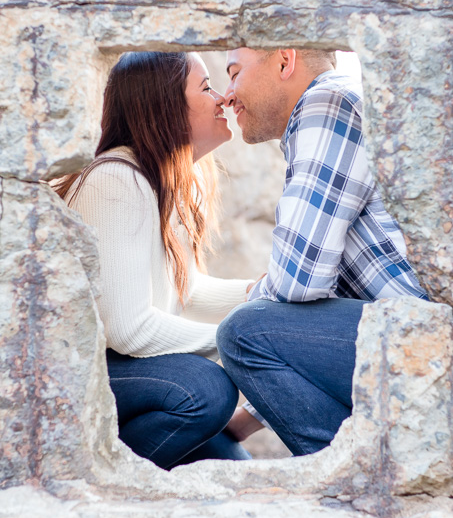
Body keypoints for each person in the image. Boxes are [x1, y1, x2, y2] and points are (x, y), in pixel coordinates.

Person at [217, 47, 428, 457]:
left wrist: (253, 298)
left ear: (284, 60)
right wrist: (245, 420)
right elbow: (323, 312)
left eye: (235, 72)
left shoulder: (326, 103)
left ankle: (362, 479)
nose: (227, 94)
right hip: (410, 337)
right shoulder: (326, 112)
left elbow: (298, 282)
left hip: (425, 343)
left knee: (244, 331)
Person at [54, 51, 253, 469]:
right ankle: (100, 478)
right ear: (165, 105)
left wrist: (261, 295)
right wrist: (239, 344)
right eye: (205, 87)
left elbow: (187, 291)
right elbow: (128, 330)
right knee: (205, 391)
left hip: (129, 373)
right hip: (81, 374)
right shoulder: (115, 180)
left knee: (234, 466)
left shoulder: (163, 181)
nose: (221, 98)